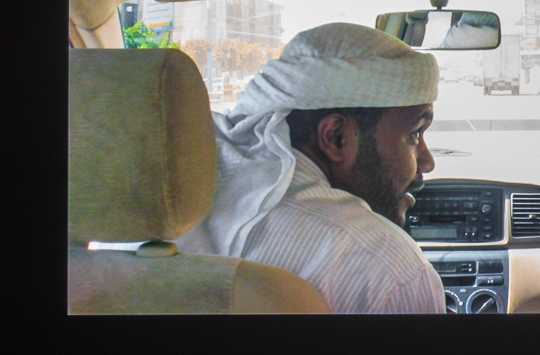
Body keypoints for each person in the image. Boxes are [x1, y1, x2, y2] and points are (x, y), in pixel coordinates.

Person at [178, 23, 445, 314]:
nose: (427, 161)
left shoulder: (165, 209)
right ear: (336, 138)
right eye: (414, 135)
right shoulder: (387, 270)